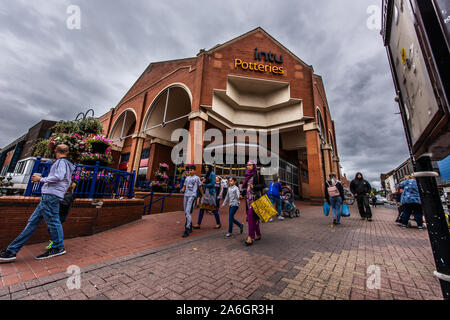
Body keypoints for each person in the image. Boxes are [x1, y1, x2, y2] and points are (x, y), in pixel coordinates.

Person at [0, 144, 75, 262]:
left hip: (50, 195)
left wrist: (41, 179)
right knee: (32, 222)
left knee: (53, 221)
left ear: (56, 150)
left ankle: (58, 247)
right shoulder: (68, 164)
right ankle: (12, 251)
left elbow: (59, 176)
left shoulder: (61, 162)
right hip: (50, 195)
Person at [241, 160, 266, 246]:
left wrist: (254, 186)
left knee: (251, 216)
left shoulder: (258, 173)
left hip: (255, 199)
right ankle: (258, 234)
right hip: (248, 199)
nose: (248, 166)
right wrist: (242, 194)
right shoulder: (247, 175)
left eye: (250, 165)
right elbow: (245, 188)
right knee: (254, 218)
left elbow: (263, 185)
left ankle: (250, 237)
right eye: (247, 165)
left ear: (254, 166)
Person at [46, 182, 77, 250]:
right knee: (51, 228)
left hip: (61, 215)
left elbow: (64, 204)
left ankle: (56, 243)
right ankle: (55, 241)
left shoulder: (69, 196)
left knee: (53, 228)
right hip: (60, 215)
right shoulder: (67, 195)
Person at [193, 164, 221, 229]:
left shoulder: (212, 174)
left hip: (211, 193)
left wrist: (205, 185)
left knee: (213, 208)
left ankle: (218, 223)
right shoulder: (207, 174)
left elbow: (213, 184)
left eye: (207, 167)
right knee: (202, 208)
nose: (206, 168)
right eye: (205, 167)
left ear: (210, 168)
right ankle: (198, 224)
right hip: (206, 193)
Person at [180, 165, 203, 237]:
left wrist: (203, 195)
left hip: (192, 196)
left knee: (188, 211)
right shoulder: (187, 178)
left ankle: (187, 229)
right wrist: (182, 190)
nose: (190, 171)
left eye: (191, 170)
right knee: (186, 212)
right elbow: (184, 186)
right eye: (189, 170)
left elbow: (200, 187)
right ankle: (189, 225)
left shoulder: (197, 178)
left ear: (194, 171)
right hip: (186, 195)